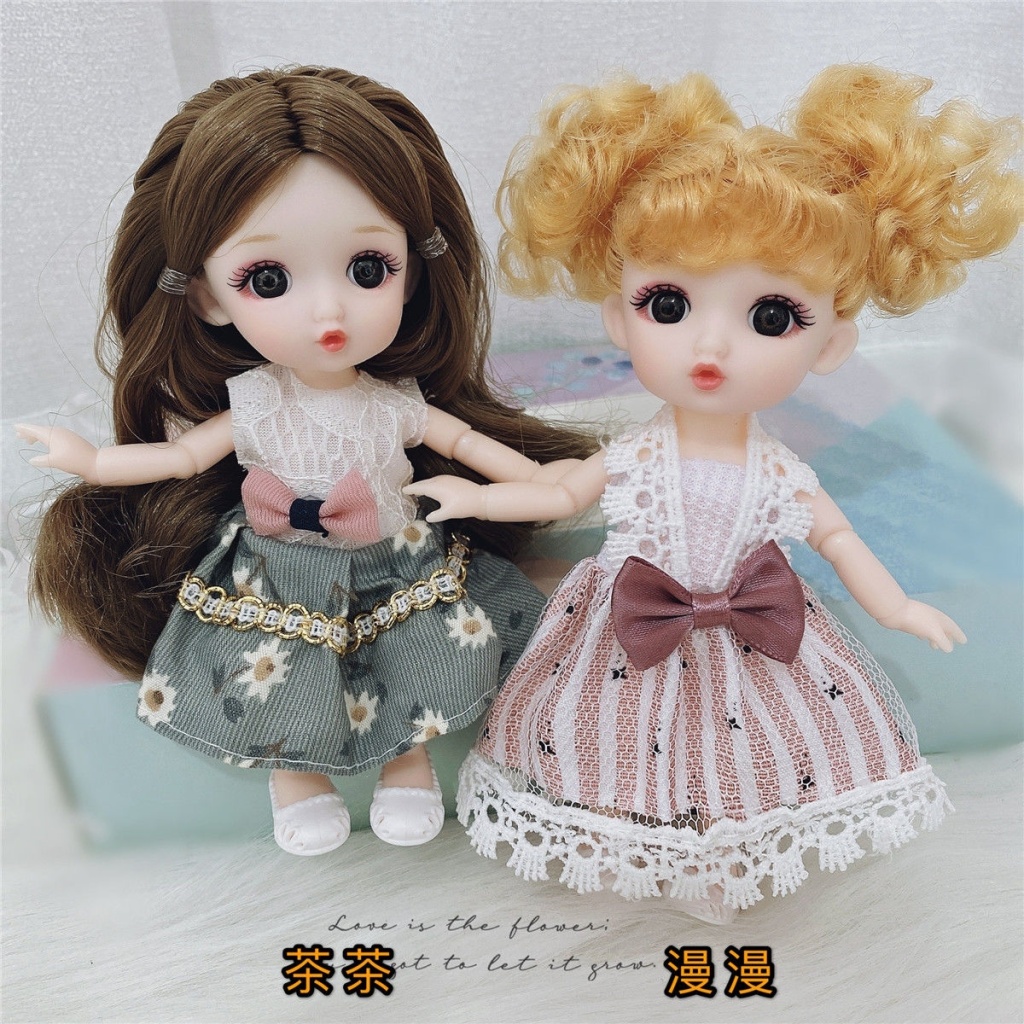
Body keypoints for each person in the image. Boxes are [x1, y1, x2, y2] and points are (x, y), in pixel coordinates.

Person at [407, 65, 1022, 920]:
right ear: (619, 318)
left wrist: (898, 609)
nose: (711, 347)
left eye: (771, 317)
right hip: (627, 634)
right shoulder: (637, 454)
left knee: (739, 755)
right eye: (668, 304)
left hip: (751, 645)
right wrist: (477, 501)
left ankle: (722, 859)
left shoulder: (782, 474)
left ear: (830, 345)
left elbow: (838, 538)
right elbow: (557, 493)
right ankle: (638, 842)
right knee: (628, 745)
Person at [17, 66, 592, 856]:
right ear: (208, 297)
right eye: (269, 279)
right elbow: (183, 457)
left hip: (393, 559)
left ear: (412, 271)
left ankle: (408, 767)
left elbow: (465, 444)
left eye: (367, 269)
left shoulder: (394, 403)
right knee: (278, 674)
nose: (328, 311)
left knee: (413, 660)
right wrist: (91, 460)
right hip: (276, 568)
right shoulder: (254, 403)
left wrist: (542, 481)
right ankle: (295, 779)